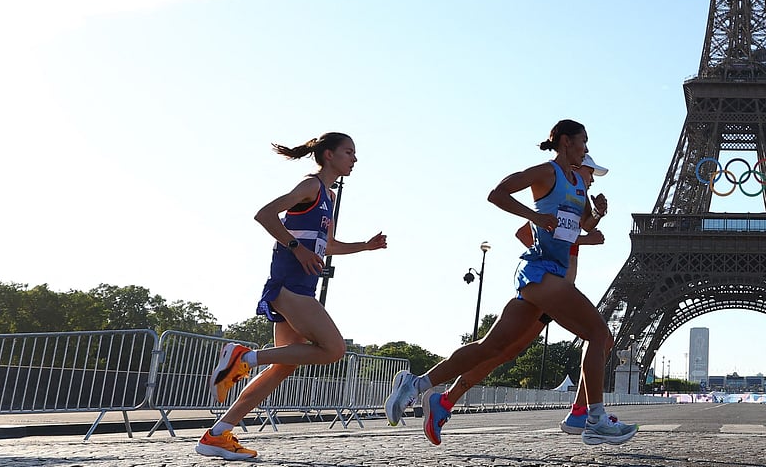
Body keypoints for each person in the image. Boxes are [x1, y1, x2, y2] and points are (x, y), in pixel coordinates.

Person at [384, 119, 637, 447]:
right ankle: (594, 418)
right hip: (540, 272)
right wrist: (533, 217)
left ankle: (417, 386)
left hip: (552, 278)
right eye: (582, 142)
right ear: (564, 142)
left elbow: (578, 226)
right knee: (599, 334)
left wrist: (597, 215)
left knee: (493, 348)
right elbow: (497, 194)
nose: (586, 149)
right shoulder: (547, 173)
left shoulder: (578, 184)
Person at [195, 132, 388, 461]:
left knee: (285, 364)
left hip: (301, 284)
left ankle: (217, 435)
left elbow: (329, 246)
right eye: (348, 152)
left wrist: (365, 246)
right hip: (289, 283)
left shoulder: (329, 196)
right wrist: (296, 248)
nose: (354, 159)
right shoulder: (311, 186)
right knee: (333, 350)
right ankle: (243, 358)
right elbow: (265, 214)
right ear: (328, 155)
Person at [413, 152, 613, 441]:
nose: (592, 179)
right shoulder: (556, 193)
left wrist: (595, 216)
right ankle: (582, 413)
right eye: (590, 173)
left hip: (557, 290)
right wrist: (580, 239)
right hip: (546, 286)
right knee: (506, 350)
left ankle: (445, 401)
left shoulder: (575, 202)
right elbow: (526, 234)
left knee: (502, 351)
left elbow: (583, 226)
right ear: (576, 168)